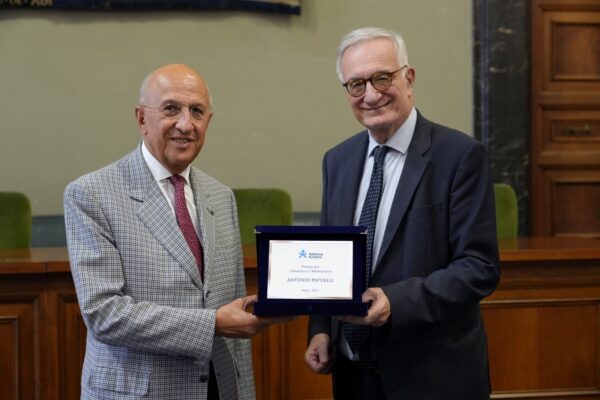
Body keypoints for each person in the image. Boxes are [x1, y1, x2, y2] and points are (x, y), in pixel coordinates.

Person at [64, 64, 287, 400]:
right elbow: (104, 313)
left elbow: (232, 308)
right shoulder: (92, 194)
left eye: (197, 111)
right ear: (141, 119)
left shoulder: (221, 196)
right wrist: (211, 324)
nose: (186, 124)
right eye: (171, 109)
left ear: (208, 121)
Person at [304, 28, 501, 400]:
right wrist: (320, 329)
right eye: (356, 84)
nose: (372, 94)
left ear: (408, 78)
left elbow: (479, 267)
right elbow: (327, 256)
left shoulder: (460, 156)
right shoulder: (338, 160)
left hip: (431, 375)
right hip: (352, 373)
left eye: (382, 78)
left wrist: (395, 301)